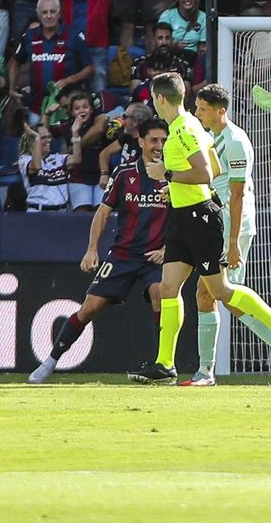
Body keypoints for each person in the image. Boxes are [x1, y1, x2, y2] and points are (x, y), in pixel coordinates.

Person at [129, 73, 271, 385]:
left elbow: (207, 173)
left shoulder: (183, 129)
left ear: (159, 99)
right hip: (183, 217)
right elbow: (216, 166)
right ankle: (164, 364)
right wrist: (177, 188)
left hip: (200, 219)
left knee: (220, 291)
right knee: (169, 288)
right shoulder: (190, 127)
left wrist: (167, 174)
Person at [28, 118, 170, 384]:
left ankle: (162, 364)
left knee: (160, 295)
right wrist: (92, 249)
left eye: (163, 140)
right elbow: (103, 213)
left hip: (155, 256)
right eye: (154, 140)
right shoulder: (124, 175)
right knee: (90, 307)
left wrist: (166, 247)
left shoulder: (174, 177)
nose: (159, 146)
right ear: (140, 141)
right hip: (123, 255)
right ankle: (50, 361)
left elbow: (183, 217)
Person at [179, 82, 271, 386]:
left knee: (219, 294)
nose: (197, 112)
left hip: (233, 224)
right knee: (212, 294)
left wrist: (232, 243)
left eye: (202, 109)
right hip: (215, 221)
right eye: (197, 107)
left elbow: (238, 195)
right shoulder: (208, 136)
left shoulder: (236, 141)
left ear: (220, 111)